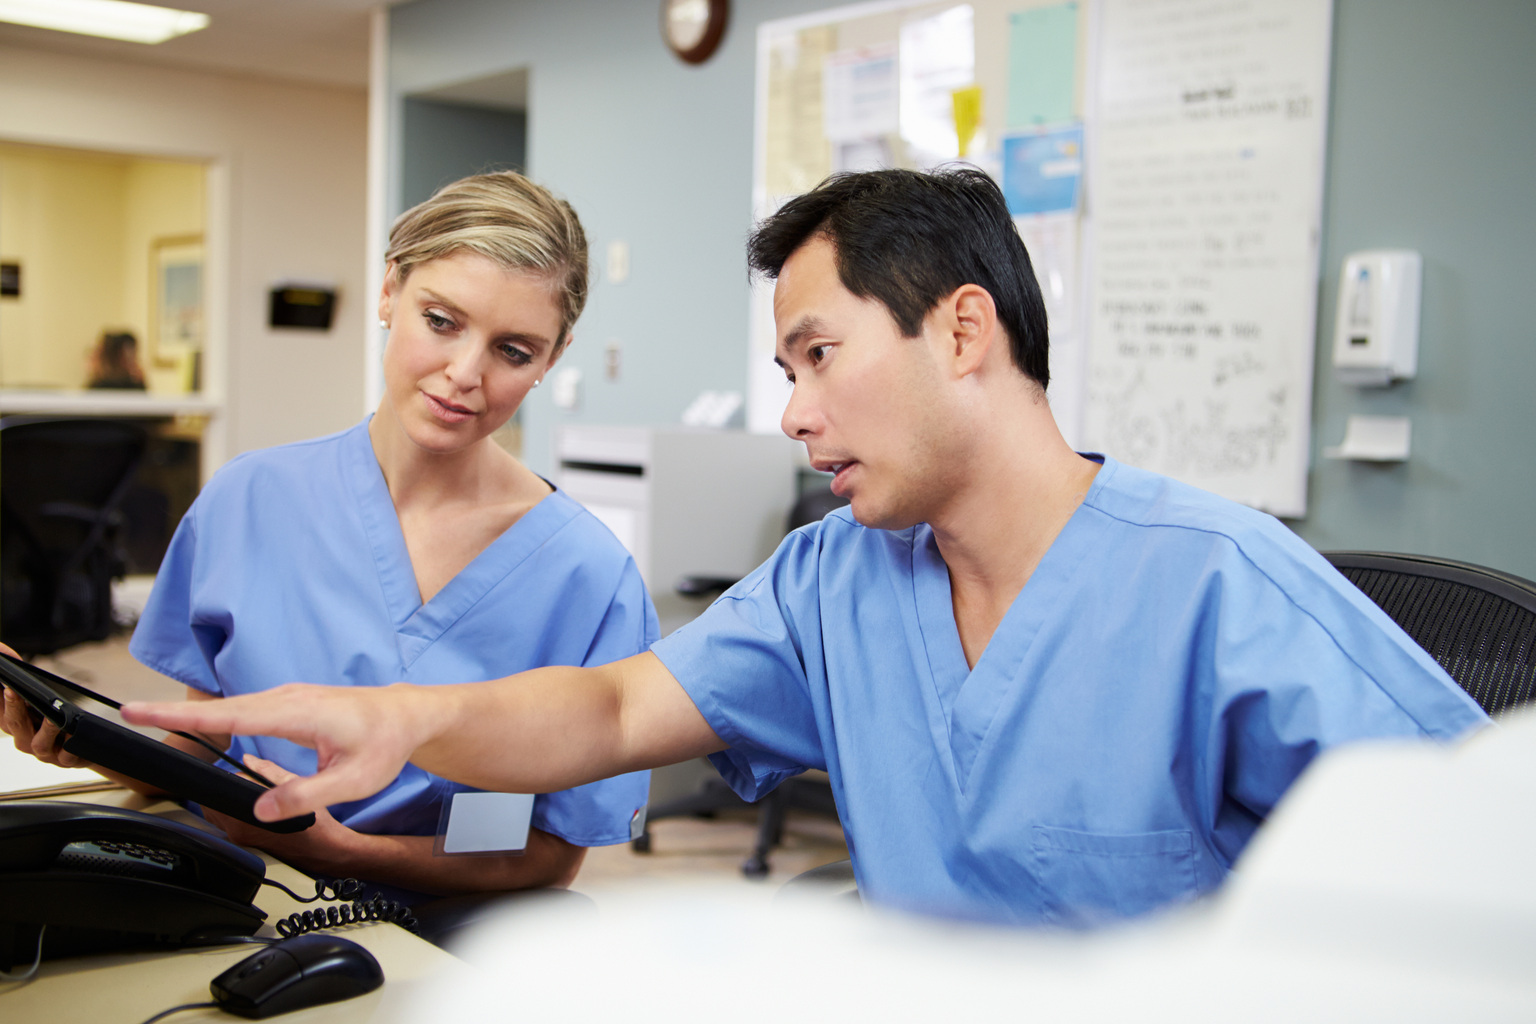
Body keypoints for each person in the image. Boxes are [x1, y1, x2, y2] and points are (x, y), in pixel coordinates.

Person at [121, 168, 1488, 926]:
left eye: (819, 356)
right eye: (785, 366)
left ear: (962, 332)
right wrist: (401, 716)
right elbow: (604, 709)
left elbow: (1484, 876)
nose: (792, 413)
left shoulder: (1216, 588)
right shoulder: (837, 580)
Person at [3, 171, 655, 901]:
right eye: (441, 321)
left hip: (454, 929)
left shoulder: (589, 577)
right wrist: (81, 741)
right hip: (239, 890)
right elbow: (204, 744)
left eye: (513, 351)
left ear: (553, 357)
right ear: (388, 293)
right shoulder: (250, 499)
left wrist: (347, 852)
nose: (464, 374)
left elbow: (550, 858)